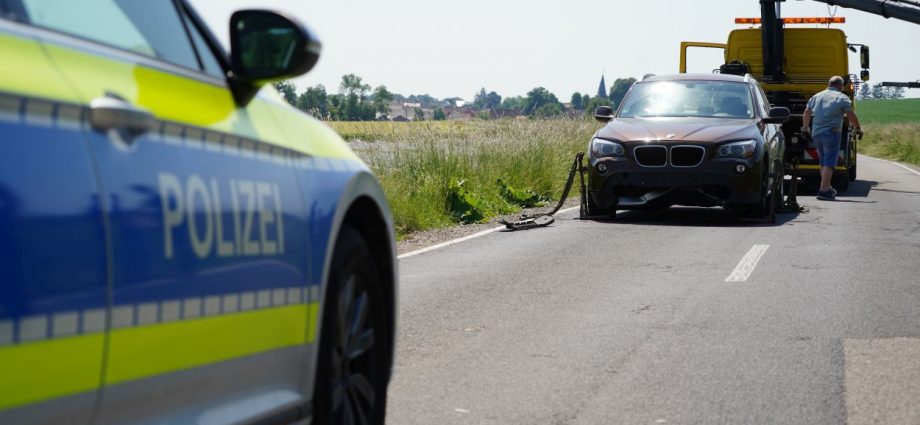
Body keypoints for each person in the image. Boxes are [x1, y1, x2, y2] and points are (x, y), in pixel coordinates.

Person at [802, 76, 863, 201]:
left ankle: (827, 187)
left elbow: (807, 112)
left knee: (823, 162)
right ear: (841, 86)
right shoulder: (842, 97)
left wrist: (805, 128)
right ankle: (823, 190)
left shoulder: (817, 96)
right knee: (829, 163)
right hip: (831, 133)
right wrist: (858, 128)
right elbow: (851, 115)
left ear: (829, 84)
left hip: (816, 133)